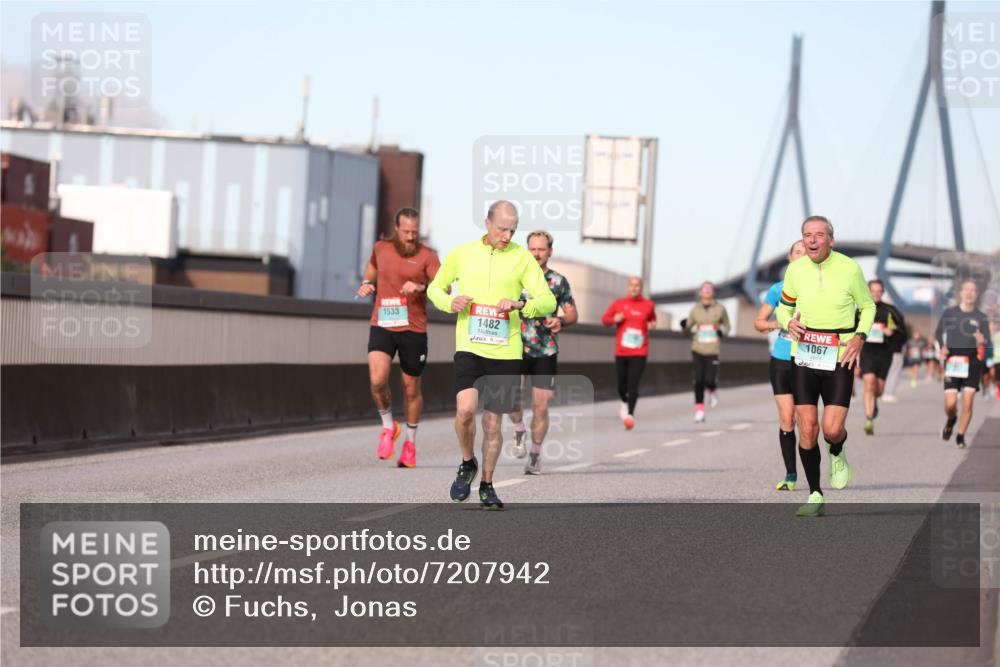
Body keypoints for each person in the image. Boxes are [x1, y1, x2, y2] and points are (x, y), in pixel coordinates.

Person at [427, 201, 555, 510]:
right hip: (470, 345)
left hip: (506, 350)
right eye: (501, 229)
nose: (507, 236)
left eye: (512, 230)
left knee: (494, 425)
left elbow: (548, 301)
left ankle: (486, 484)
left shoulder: (522, 259)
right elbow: (435, 289)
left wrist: (521, 306)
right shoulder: (462, 254)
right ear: (487, 222)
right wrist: (450, 302)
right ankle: (467, 462)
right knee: (465, 411)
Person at [776, 215, 875, 517]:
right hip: (804, 354)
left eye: (820, 235)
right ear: (803, 239)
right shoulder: (795, 270)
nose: (813, 240)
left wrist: (860, 337)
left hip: (840, 354)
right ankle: (816, 493)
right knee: (807, 427)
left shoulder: (849, 268)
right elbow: (784, 307)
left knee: (831, 430)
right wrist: (787, 322)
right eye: (808, 235)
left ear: (831, 239)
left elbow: (868, 306)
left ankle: (837, 449)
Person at [356, 208, 440, 468]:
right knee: (378, 380)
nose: (410, 237)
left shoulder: (428, 255)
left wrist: (422, 287)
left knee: (410, 388)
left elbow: (443, 287)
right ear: (396, 228)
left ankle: (411, 443)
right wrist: (367, 282)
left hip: (413, 329)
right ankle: (387, 426)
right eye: (406, 232)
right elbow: (371, 268)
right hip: (382, 323)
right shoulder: (381, 248)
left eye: (414, 232)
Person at [508, 230, 578, 474]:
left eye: (541, 249)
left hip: (545, 350)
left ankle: (535, 455)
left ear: (550, 251)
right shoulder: (516, 278)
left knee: (541, 406)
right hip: (515, 346)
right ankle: (518, 430)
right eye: (532, 249)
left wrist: (561, 321)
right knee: (511, 398)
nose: (537, 253)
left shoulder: (558, 282)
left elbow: (572, 313)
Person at [754, 240, 807, 491]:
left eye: (806, 252)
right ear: (790, 257)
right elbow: (759, 322)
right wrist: (778, 324)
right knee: (787, 417)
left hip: (809, 360)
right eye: (798, 252)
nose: (802, 255)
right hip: (782, 360)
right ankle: (790, 474)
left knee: (808, 421)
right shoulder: (778, 289)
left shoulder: (821, 290)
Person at [935, 279, 989, 448]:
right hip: (953, 361)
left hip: (972, 362)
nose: (969, 293)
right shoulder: (949, 313)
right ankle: (951, 419)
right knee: (950, 405)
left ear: (977, 294)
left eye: (973, 290)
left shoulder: (981, 317)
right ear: (960, 292)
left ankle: (960, 435)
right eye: (966, 290)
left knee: (968, 402)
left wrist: (982, 340)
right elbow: (938, 333)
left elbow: (986, 340)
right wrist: (942, 347)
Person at [601, 277, 657, 430]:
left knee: (633, 384)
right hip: (622, 351)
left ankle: (630, 414)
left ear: (641, 288)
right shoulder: (619, 304)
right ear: (628, 287)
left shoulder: (648, 305)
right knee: (622, 385)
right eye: (631, 285)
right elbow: (605, 320)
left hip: (640, 351)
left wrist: (652, 325)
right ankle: (624, 401)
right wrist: (615, 319)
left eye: (637, 285)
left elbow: (653, 320)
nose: (634, 288)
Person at [859, 279, 906, 435]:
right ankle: (868, 418)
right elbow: (851, 329)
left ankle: (874, 403)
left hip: (885, 354)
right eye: (873, 291)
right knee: (869, 383)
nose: (876, 294)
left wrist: (891, 333)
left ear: (883, 292)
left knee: (878, 389)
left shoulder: (891, 310)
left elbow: (903, 332)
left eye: (879, 291)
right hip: (867, 352)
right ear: (868, 291)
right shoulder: (861, 310)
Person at [683, 282, 731, 422]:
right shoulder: (695, 310)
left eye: (709, 289)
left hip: (713, 349)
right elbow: (688, 327)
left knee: (710, 379)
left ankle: (712, 390)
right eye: (704, 289)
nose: (707, 291)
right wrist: (684, 326)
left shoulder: (720, 308)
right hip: (697, 348)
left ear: (713, 292)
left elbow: (727, 326)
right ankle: (699, 410)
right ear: (700, 292)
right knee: (698, 379)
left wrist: (722, 332)